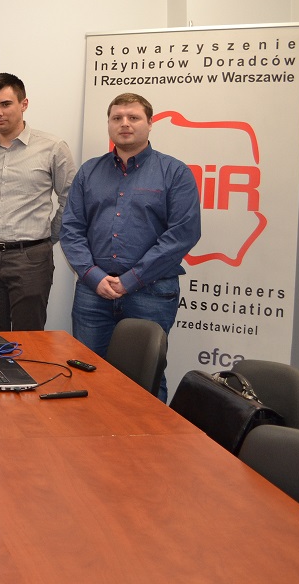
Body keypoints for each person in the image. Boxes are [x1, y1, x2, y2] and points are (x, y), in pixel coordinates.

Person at [60, 92, 201, 401]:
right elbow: (71, 229)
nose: (124, 124)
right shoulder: (89, 172)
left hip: (150, 292)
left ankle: (149, 435)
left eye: (133, 117)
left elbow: (183, 234)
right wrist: (94, 276)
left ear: (150, 123)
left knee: (145, 379)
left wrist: (131, 279)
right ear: (109, 124)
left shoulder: (175, 172)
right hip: (93, 293)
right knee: (87, 374)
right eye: (117, 118)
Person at [0, 73, 76, 332]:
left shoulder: (52, 147)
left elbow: (70, 200)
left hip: (30, 258)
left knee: (30, 340)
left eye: (6, 104)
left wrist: (47, 238)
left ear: (24, 104)